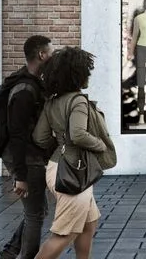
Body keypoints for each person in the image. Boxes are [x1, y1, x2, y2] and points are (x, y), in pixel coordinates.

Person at [33, 48, 109, 259]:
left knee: (88, 223)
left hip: (57, 168)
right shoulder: (78, 101)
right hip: (73, 172)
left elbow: (40, 137)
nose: (88, 76)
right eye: (86, 71)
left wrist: (60, 142)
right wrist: (99, 145)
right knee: (64, 234)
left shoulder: (52, 102)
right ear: (76, 74)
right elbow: (78, 134)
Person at [0, 35, 53, 259]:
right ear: (41, 54)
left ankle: (10, 252)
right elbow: (17, 135)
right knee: (35, 215)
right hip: (26, 159)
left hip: (29, 158)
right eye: (51, 52)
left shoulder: (28, 81)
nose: (52, 56)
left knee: (37, 211)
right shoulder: (24, 90)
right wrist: (20, 175)